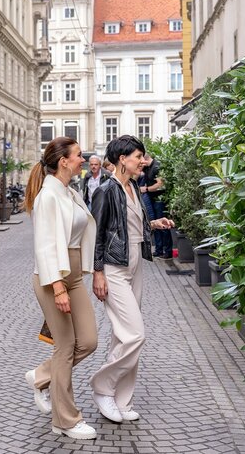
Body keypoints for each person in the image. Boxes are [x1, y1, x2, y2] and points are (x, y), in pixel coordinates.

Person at [89, 135, 174, 424]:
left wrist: (153, 224)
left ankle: (122, 401)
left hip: (135, 262)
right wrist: (97, 271)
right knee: (135, 334)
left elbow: (127, 227)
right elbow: (97, 234)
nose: (143, 161)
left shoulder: (134, 188)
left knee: (122, 336)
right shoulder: (105, 190)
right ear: (122, 159)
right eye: (138, 156)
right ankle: (102, 388)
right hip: (113, 268)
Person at [23, 136, 99, 440]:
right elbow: (45, 246)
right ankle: (65, 420)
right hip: (52, 276)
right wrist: (57, 287)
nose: (83, 159)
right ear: (64, 161)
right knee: (65, 347)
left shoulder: (69, 192)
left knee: (89, 341)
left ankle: (41, 376)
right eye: (79, 155)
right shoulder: (48, 196)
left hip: (74, 275)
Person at [137, 153, 172, 260]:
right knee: (155, 224)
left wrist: (147, 189)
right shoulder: (147, 168)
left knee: (164, 226)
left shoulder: (157, 166)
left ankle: (168, 251)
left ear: (146, 159)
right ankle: (159, 250)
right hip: (152, 200)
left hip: (159, 200)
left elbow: (160, 184)